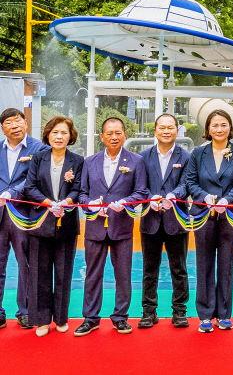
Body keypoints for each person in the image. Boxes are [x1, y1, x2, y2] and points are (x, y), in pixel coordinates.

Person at [75, 117, 148, 336]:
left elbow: (142, 192)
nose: (114, 137)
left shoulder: (136, 161)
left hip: (122, 226)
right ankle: (90, 318)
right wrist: (90, 205)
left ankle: (120, 317)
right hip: (95, 226)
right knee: (92, 274)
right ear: (102, 137)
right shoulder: (89, 161)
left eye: (118, 132)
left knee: (123, 275)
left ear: (125, 134)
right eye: (109, 133)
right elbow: (82, 193)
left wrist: (125, 203)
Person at [184, 109, 233, 333]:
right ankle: (204, 314)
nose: (219, 129)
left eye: (223, 125)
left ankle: (223, 314)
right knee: (204, 264)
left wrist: (225, 200)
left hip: (230, 216)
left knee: (227, 265)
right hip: (203, 215)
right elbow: (190, 181)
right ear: (207, 129)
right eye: (215, 125)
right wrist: (205, 197)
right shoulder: (198, 154)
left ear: (230, 128)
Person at [22, 116, 83, 337]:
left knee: (64, 273)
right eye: (55, 132)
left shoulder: (77, 160)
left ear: (70, 136)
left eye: (64, 133)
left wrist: (66, 203)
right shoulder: (37, 158)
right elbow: (30, 187)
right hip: (40, 222)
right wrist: (49, 203)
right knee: (40, 272)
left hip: (66, 222)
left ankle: (61, 318)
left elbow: (78, 189)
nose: (59, 136)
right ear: (48, 135)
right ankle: (41, 321)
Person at [138, 114, 191, 329]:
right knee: (149, 269)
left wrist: (172, 196)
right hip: (150, 219)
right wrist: (150, 197)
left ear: (177, 130)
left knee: (179, 268)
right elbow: (140, 185)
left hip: (176, 220)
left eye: (170, 127)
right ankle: (148, 312)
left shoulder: (186, 157)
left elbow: (187, 184)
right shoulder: (143, 157)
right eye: (162, 127)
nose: (166, 131)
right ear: (155, 130)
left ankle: (179, 311)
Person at [0, 107, 48, 330]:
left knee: (26, 264)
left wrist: (10, 193)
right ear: (3, 128)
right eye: (9, 122)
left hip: (24, 215)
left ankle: (26, 311)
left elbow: (33, 178)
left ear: (26, 124)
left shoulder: (39, 149)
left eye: (18, 121)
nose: (15, 126)